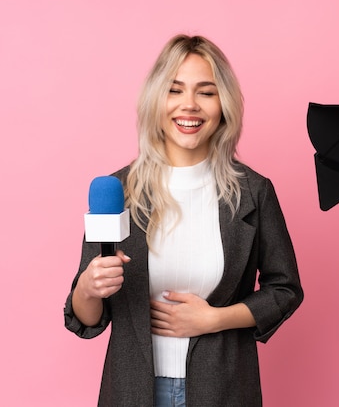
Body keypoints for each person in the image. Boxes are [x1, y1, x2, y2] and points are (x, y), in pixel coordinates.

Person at [63, 34, 303, 407]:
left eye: (206, 92)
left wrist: (214, 320)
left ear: (223, 105)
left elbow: (285, 290)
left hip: (222, 389)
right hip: (133, 391)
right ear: (156, 100)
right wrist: (87, 290)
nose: (189, 106)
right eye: (175, 90)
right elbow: (88, 319)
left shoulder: (254, 193)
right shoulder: (118, 192)